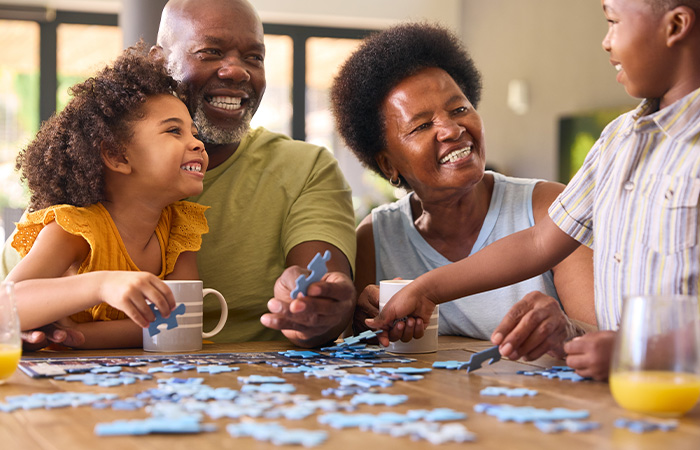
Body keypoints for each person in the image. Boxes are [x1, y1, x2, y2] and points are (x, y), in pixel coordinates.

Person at [370, 0, 700, 380]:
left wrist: (642, 353)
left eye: (613, 23)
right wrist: (427, 289)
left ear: (676, 26)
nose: (606, 43)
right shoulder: (618, 140)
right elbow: (538, 243)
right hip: (627, 400)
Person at [330, 23, 596, 361]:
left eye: (459, 109)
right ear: (387, 165)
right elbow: (362, 354)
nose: (453, 130)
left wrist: (567, 331)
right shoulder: (375, 238)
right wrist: (364, 322)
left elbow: (604, 341)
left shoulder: (549, 209)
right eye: (422, 125)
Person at [150, 0, 356, 347]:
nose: (237, 72)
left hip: (271, 387)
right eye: (210, 52)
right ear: (160, 62)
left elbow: (326, 305)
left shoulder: (306, 168)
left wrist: (314, 307)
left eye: (253, 58)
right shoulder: (105, 166)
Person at [4, 44, 209, 349]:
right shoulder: (74, 231)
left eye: (194, 133)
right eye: (174, 132)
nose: (197, 144)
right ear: (116, 156)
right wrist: (100, 285)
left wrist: (78, 336)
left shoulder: (180, 229)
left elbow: (178, 320)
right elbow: (5, 306)